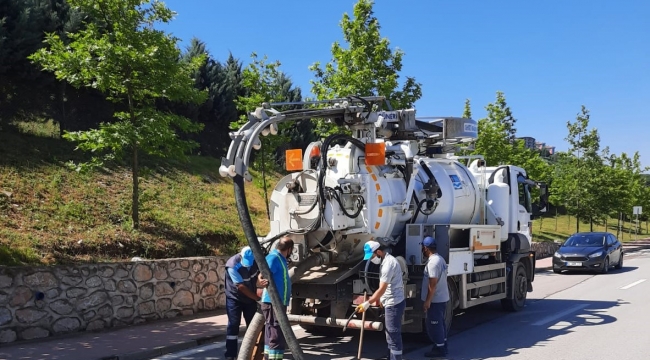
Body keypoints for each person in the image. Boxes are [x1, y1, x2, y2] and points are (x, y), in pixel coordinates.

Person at [356, 240, 405, 360]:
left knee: (392, 335)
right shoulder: (385, 261)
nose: (371, 259)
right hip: (390, 301)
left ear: (379, 252)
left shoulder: (388, 264)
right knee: (390, 334)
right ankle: (392, 357)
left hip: (394, 303)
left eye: (372, 256)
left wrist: (367, 303)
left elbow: (382, 289)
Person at [224, 246, 267, 360]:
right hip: (235, 298)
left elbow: (259, 272)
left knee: (252, 325)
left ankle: (255, 351)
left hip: (249, 299)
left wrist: (260, 277)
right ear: (241, 256)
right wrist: (257, 299)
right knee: (233, 326)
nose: (247, 265)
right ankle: (230, 354)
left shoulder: (254, 261)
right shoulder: (232, 266)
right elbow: (241, 287)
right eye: (245, 262)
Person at [261, 236, 294, 360]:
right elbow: (262, 275)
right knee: (275, 333)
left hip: (278, 302)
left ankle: (269, 357)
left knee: (274, 331)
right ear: (289, 249)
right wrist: (260, 280)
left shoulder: (280, 258)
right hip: (272, 302)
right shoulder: (273, 258)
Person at [421, 236, 450, 358]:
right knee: (440, 323)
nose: (422, 249)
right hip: (441, 297)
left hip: (436, 299)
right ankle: (442, 344)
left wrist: (428, 301)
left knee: (434, 323)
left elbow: (432, 284)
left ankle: (439, 349)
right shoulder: (440, 259)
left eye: (423, 247)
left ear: (426, 248)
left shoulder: (433, 263)